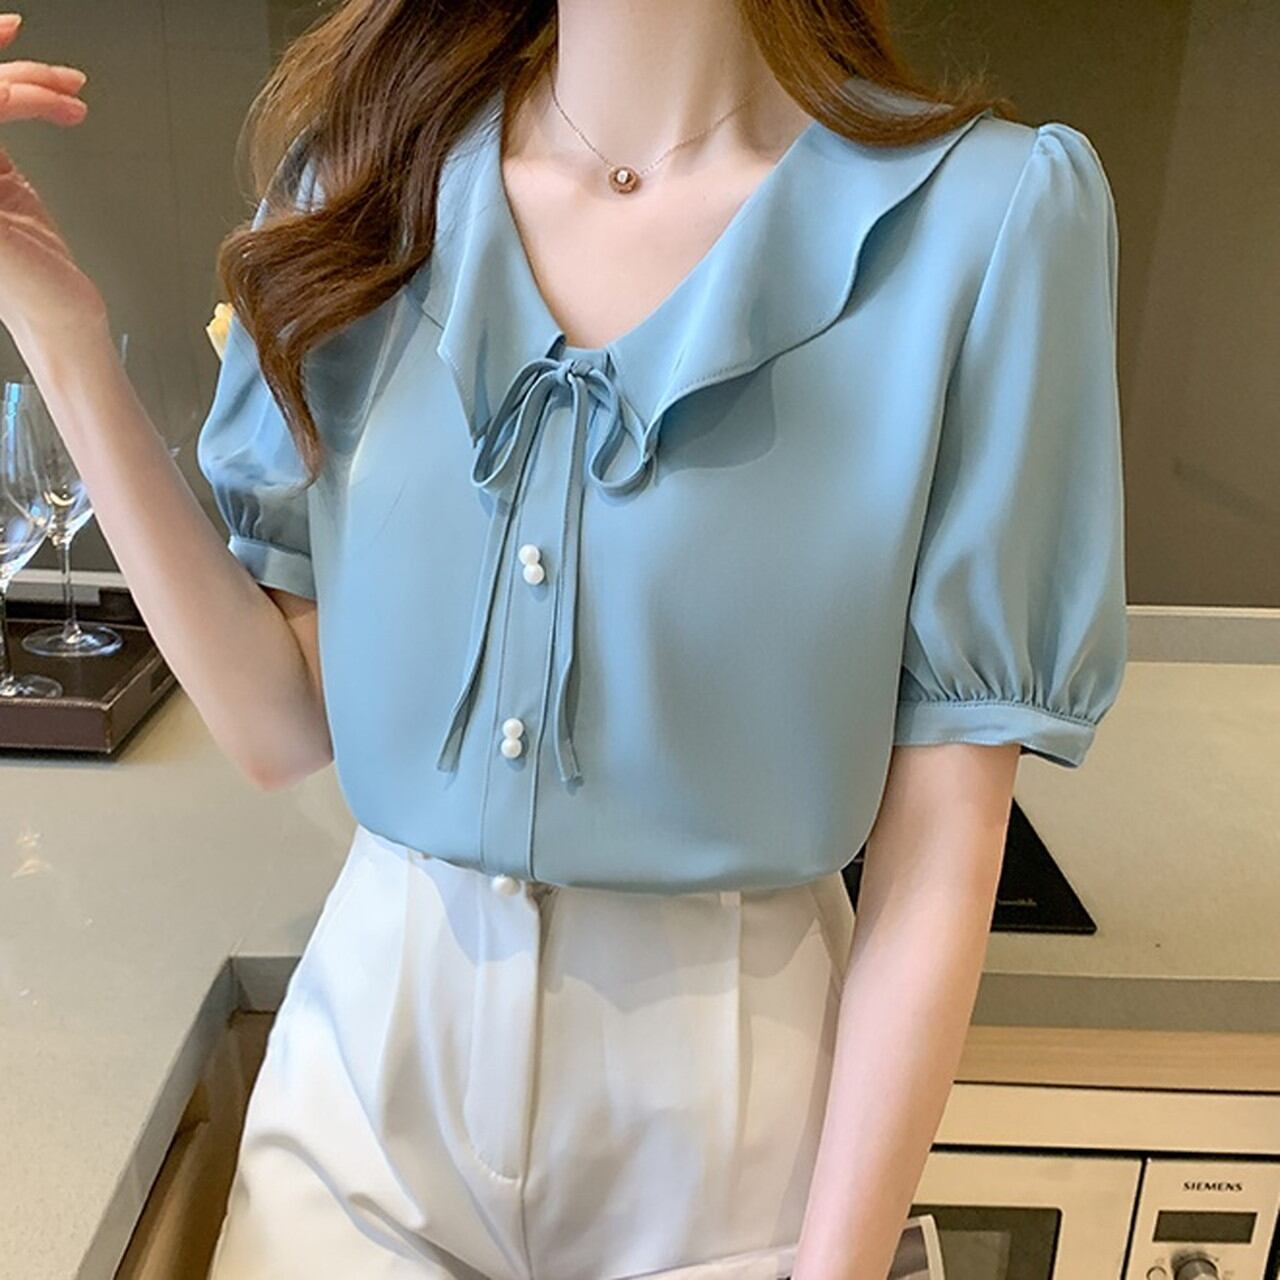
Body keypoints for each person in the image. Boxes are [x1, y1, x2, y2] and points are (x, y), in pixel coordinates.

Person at [0, 1, 1128, 1276]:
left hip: (729, 1151)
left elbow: (942, 849)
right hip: (365, 1103)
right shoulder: (362, 182)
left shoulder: (981, 222)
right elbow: (275, 725)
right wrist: (57, 330)